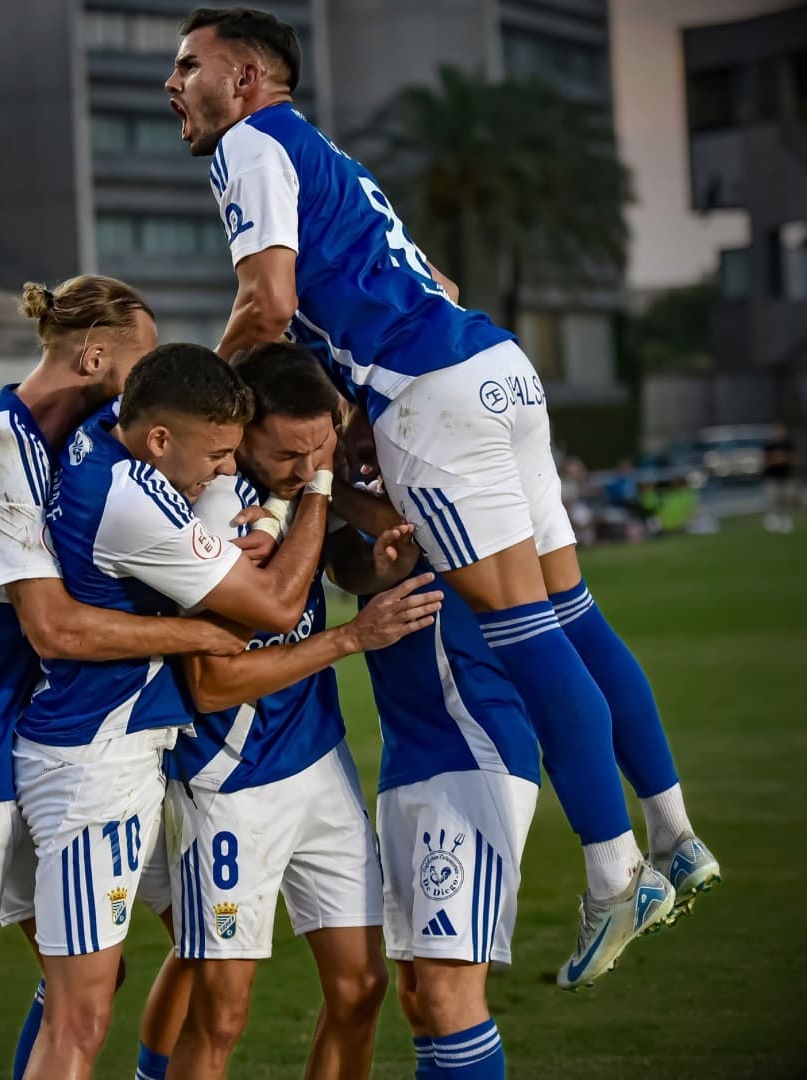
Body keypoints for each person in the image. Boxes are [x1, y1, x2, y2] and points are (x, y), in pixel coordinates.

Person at [166, 6, 719, 991]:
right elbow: (441, 277)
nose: (174, 85)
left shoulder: (249, 144)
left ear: (245, 78)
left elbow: (269, 302)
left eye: (189, 66)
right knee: (571, 613)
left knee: (521, 632)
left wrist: (194, 408)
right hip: (497, 367)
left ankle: (611, 869)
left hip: (434, 395)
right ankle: (674, 833)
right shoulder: (324, 153)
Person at [0, 276, 249, 1080]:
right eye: (139, 359)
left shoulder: (68, 438)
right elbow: (54, 627)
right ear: (93, 355)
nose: (149, 382)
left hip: (18, 738)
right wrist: (206, 632)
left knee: (86, 975)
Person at [132, 342, 440, 1080]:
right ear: (241, 433)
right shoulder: (208, 508)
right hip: (228, 783)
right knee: (224, 1013)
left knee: (361, 989)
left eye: (319, 450)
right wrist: (350, 638)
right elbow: (210, 684)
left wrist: (377, 566)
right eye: (287, 455)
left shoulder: (300, 480)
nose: (307, 471)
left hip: (318, 761)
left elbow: (334, 555)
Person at [328, 473, 540, 1080]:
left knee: (449, 996)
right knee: (419, 997)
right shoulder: (365, 494)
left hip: (471, 753)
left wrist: (317, 477)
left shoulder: (435, 477)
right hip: (406, 759)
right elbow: (347, 566)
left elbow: (411, 530)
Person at [763, 423, 798, 534]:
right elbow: (767, 460)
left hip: (786, 477)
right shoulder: (769, 445)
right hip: (773, 477)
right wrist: (779, 459)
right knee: (773, 499)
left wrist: (782, 458)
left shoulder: (788, 444)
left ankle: (786, 519)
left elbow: (794, 458)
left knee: (787, 498)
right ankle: (774, 520)